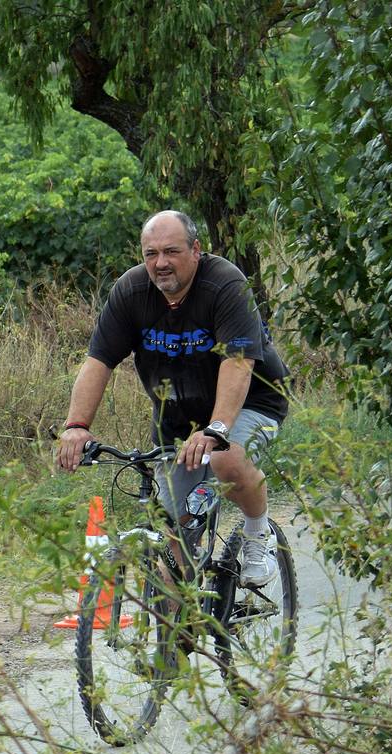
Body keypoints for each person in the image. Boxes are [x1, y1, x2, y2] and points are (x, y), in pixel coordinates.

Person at [57, 210, 289, 586]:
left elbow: (238, 362)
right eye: (151, 254)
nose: (160, 263)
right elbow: (98, 361)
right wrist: (76, 426)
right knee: (173, 539)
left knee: (227, 459)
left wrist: (217, 429)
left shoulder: (225, 284)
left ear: (196, 250)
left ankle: (256, 533)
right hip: (178, 419)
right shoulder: (130, 293)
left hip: (252, 403)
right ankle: (181, 634)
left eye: (171, 251)